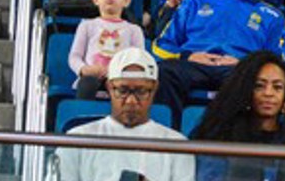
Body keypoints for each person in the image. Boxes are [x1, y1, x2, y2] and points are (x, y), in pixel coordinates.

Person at [153, 0, 285, 121]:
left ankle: (232, 146)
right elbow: (160, 46)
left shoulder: (272, 15)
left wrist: (245, 64)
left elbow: (275, 62)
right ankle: (171, 142)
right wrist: (190, 56)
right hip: (192, 66)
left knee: (253, 81)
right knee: (164, 72)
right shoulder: (193, 2)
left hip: (239, 71)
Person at [57, 48, 194, 181]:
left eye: (141, 91)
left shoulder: (177, 146)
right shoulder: (77, 140)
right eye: (123, 90)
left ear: (154, 89)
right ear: (109, 87)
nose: (131, 101)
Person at [192, 51, 285, 181]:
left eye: (277, 87)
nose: (268, 93)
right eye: (259, 86)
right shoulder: (217, 138)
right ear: (243, 90)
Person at [68, 0, 145, 100]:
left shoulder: (134, 30)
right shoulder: (87, 25)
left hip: (120, 79)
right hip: (91, 77)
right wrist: (83, 69)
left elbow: (139, 61)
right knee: (87, 83)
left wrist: (120, 72)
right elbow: (74, 56)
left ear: (127, 1)